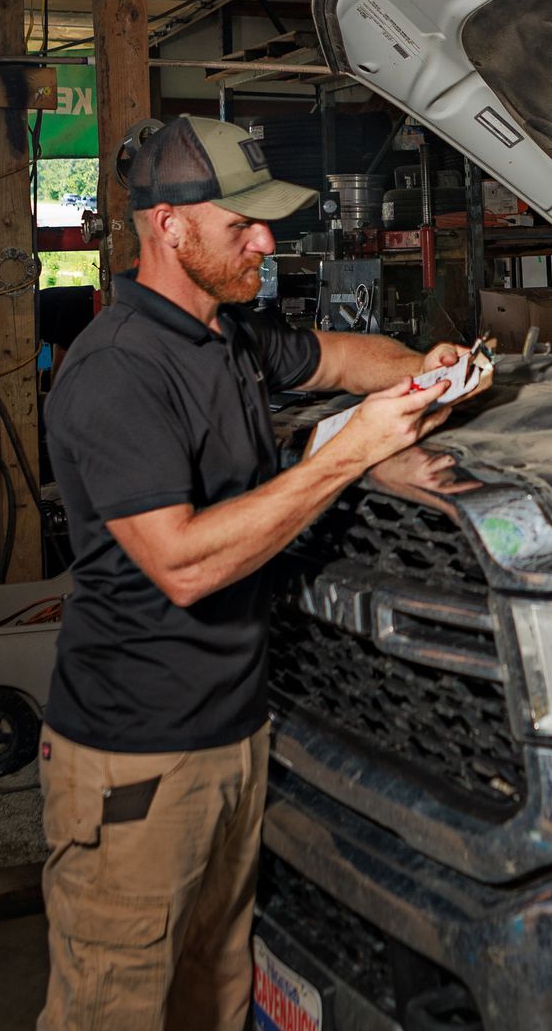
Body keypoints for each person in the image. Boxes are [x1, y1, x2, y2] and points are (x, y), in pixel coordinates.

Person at [37, 115, 468, 1030]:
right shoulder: (118, 371)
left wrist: (423, 374)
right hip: (136, 762)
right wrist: (349, 455)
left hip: (234, 734)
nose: (269, 242)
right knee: (114, 1008)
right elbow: (184, 566)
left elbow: (349, 358)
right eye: (245, 226)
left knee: (217, 991)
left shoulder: (225, 334)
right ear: (171, 227)